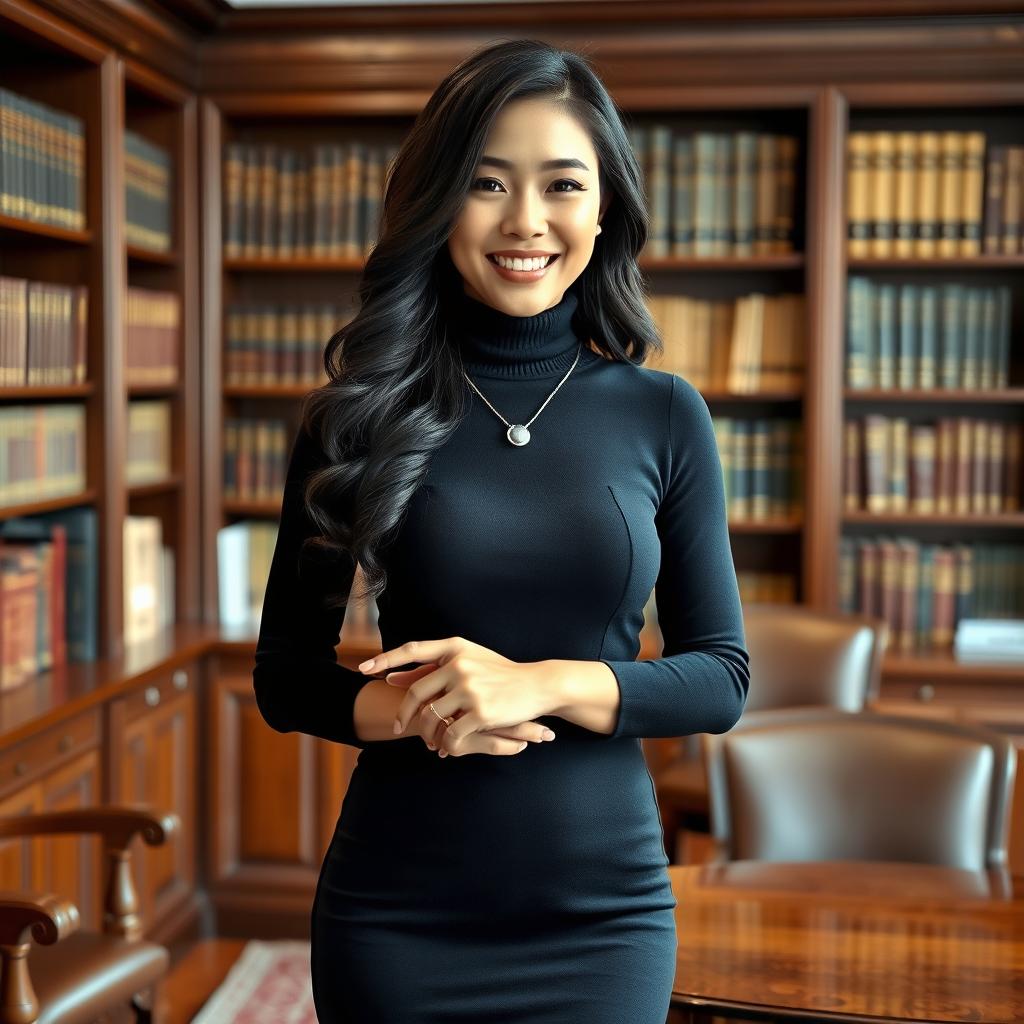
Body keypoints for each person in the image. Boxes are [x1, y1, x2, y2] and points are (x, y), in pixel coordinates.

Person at [252, 37, 750, 1023]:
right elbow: (285, 674)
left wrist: (541, 683)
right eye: (485, 184)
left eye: (561, 184)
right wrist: (411, 710)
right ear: (438, 205)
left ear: (603, 208)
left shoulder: (661, 411)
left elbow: (720, 674)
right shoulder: (352, 416)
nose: (525, 220)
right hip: (398, 910)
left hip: (603, 914)